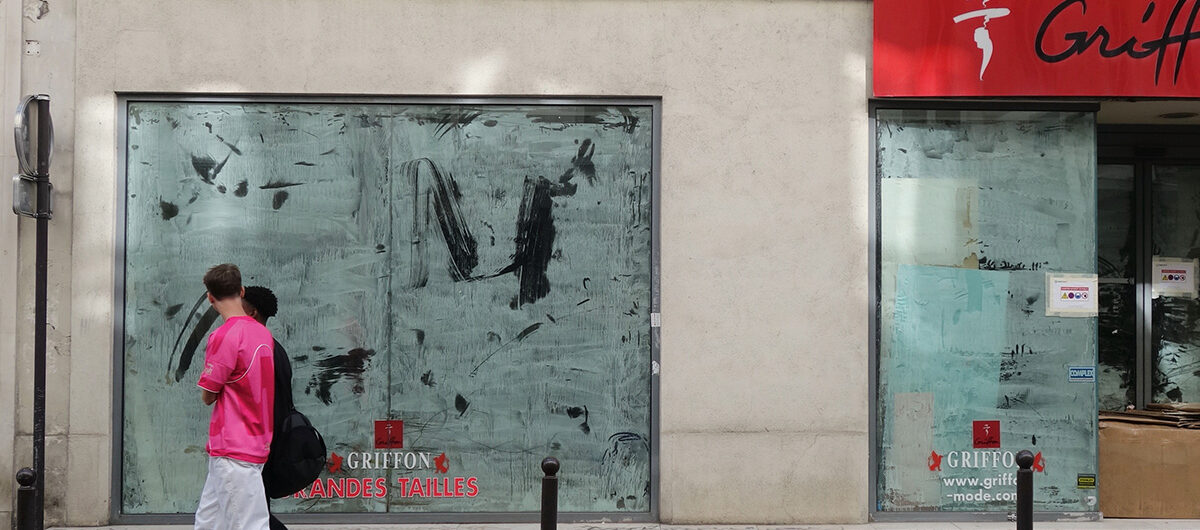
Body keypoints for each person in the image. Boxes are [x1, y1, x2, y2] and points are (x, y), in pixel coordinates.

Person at [194, 264, 275, 530]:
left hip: (232, 445)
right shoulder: (263, 333)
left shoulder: (223, 335)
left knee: (247, 525)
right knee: (209, 523)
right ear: (241, 291)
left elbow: (208, 395)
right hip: (254, 441)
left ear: (210, 297)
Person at [242, 286, 292, 530]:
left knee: (255, 511)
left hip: (260, 441)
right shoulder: (274, 347)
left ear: (252, 312)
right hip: (270, 438)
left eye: (239, 305)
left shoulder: (260, 348)